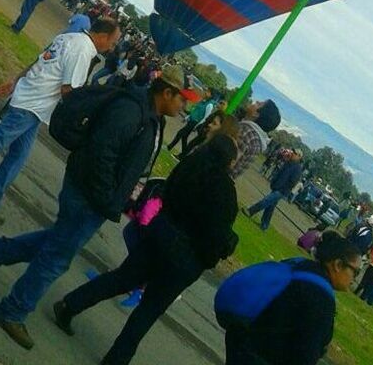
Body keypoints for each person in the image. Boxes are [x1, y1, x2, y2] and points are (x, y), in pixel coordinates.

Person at [0, 65, 187, 350]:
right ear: (167, 92)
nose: (183, 105)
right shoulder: (132, 111)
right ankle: (12, 311)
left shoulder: (150, 117)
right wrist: (105, 197)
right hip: (88, 195)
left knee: (56, 242)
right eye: (181, 98)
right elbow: (102, 151)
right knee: (57, 257)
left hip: (95, 196)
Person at [53, 128, 240, 363]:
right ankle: (116, 358)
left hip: (160, 234)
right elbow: (216, 234)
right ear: (229, 161)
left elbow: (168, 191)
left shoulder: (189, 165)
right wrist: (222, 249)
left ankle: (70, 304)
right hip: (186, 257)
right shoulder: (224, 191)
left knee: (122, 278)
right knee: (150, 309)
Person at [0, 19, 122, 226]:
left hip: (32, 104)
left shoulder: (70, 37)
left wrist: (15, 81)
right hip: (31, 105)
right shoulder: (83, 50)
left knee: (17, 157)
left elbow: (40, 61)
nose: (113, 47)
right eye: (114, 41)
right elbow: (69, 91)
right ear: (103, 36)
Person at [220, 232, 362, 364]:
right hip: (262, 357)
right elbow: (306, 354)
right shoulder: (321, 298)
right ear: (338, 265)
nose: (354, 279)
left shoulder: (300, 265)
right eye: (355, 272)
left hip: (241, 341)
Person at [243, 150, 303, 231]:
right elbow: (279, 172)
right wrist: (274, 182)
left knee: (266, 200)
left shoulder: (298, 168)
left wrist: (282, 187)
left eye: (295, 153)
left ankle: (250, 211)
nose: (293, 154)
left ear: (299, 157)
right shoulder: (288, 162)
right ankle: (264, 225)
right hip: (276, 186)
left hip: (282, 191)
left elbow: (293, 181)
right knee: (270, 207)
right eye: (293, 152)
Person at [231, 99, 281, 178]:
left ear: (256, 114)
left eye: (259, 104)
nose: (256, 101)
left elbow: (224, 159)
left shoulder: (245, 132)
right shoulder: (257, 139)